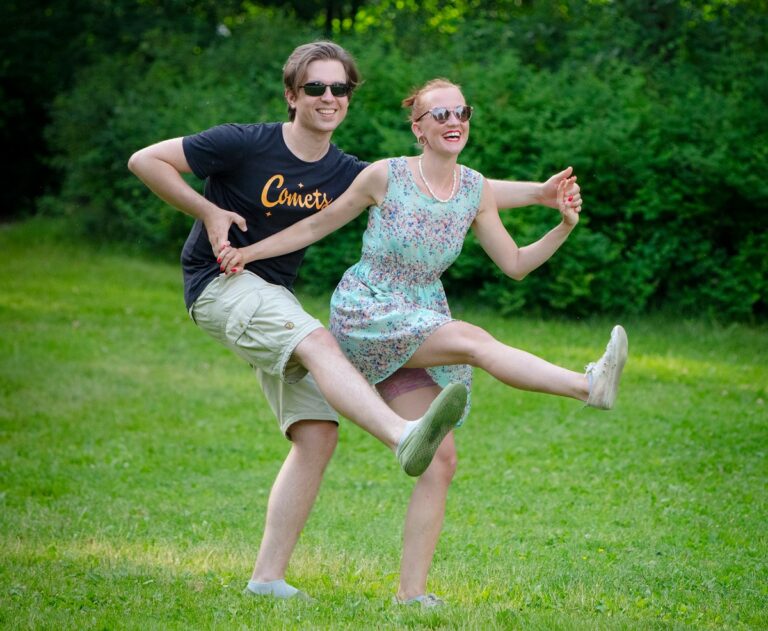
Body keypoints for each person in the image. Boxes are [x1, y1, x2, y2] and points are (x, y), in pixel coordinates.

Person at [128, 41, 581, 602]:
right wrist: (209, 210)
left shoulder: (347, 170)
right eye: (315, 87)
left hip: (274, 293)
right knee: (317, 338)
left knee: (316, 432)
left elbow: (447, 190)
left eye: (339, 88)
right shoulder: (244, 141)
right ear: (292, 95)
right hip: (219, 282)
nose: (328, 97)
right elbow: (145, 159)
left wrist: (539, 196)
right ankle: (403, 435)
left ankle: (266, 580)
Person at [218, 77, 628, 606]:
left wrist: (563, 226)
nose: (454, 122)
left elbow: (516, 265)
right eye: (440, 115)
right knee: (473, 340)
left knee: (440, 459)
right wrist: (249, 254)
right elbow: (315, 227)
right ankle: (587, 385)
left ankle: (411, 595)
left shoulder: (475, 190)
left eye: (462, 112)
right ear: (418, 128)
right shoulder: (384, 176)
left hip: (420, 316)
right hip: (368, 311)